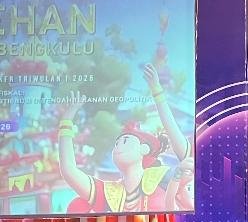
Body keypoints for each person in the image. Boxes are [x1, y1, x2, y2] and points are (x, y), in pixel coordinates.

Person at [57, 64, 191, 213]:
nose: (118, 147)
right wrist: (67, 119)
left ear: (144, 149)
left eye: (125, 141)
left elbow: (185, 154)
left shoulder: (161, 178)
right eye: (116, 144)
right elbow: (69, 170)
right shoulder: (108, 193)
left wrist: (157, 92)